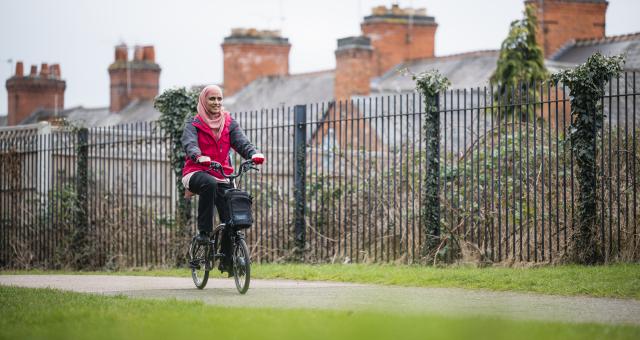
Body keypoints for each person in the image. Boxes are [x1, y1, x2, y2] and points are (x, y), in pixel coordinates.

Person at [181, 84, 264, 275]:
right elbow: (190, 144)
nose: (217, 102)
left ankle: (227, 262)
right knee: (208, 183)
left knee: (232, 221)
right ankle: (203, 233)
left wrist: (254, 154)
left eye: (219, 99)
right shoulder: (193, 124)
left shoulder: (228, 123)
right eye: (212, 99)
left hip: (223, 175)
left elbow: (242, 143)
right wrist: (197, 155)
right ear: (204, 101)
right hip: (196, 172)